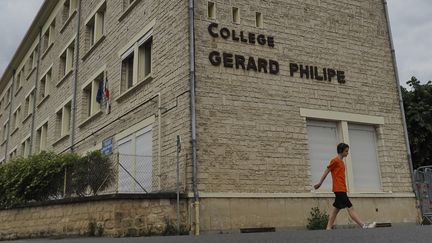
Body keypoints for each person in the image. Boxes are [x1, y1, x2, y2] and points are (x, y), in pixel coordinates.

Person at [314, 143, 376, 230]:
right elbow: (327, 170)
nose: (347, 153)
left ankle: (328, 228)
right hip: (339, 189)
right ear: (341, 151)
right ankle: (363, 225)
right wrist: (320, 183)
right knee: (350, 207)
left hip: (342, 188)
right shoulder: (335, 161)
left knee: (336, 209)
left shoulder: (342, 162)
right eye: (346, 151)